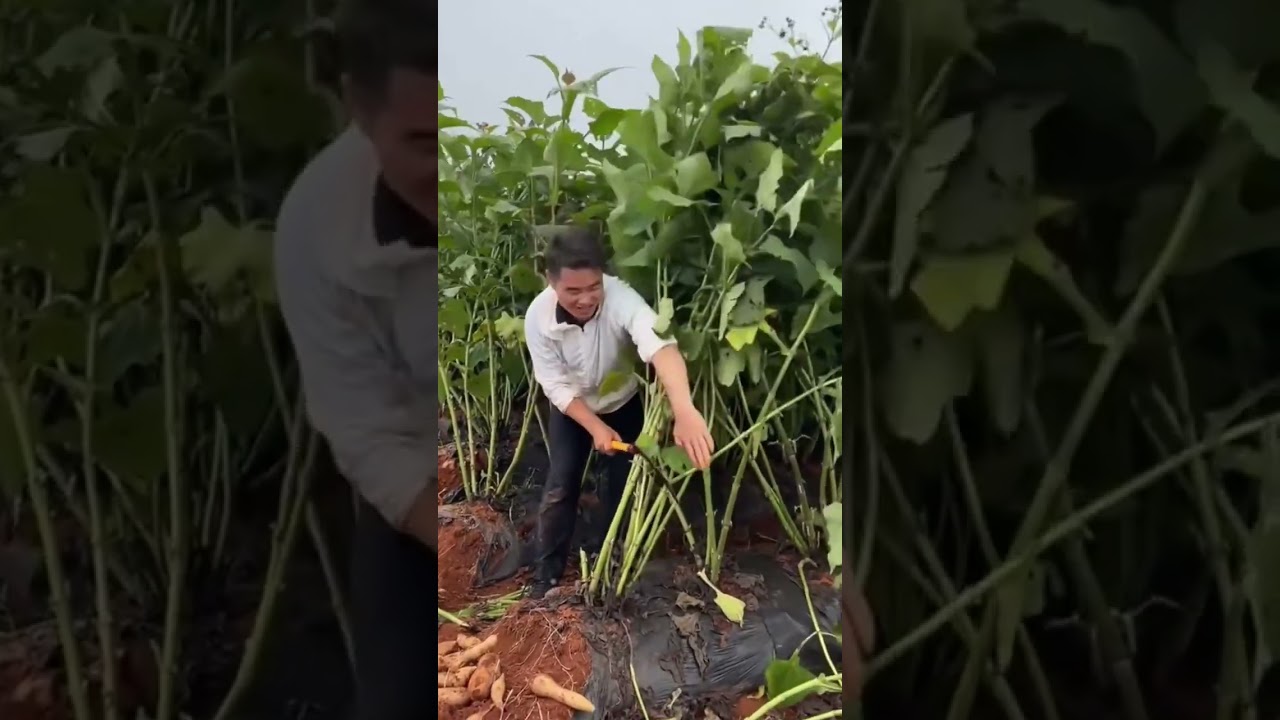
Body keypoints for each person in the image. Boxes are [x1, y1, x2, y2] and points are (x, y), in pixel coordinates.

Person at [272, 1, 436, 718]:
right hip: (427, 475)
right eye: (424, 143)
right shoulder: (318, 227)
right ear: (360, 114)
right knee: (400, 699)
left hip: (582, 443)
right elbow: (367, 430)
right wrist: (479, 554)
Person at [523, 227, 716, 597]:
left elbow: (660, 347)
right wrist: (594, 426)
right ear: (551, 282)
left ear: (604, 277)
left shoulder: (621, 299)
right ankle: (545, 576)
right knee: (561, 486)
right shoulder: (538, 317)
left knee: (620, 486)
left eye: (593, 287)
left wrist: (684, 410)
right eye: (572, 291)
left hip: (624, 402)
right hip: (573, 409)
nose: (585, 299)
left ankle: (610, 565)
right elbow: (555, 385)